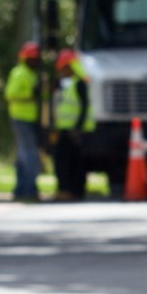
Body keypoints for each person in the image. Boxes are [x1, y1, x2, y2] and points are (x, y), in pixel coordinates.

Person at [53, 49, 93, 201]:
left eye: (64, 69)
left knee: (72, 162)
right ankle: (69, 190)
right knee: (66, 161)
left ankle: (72, 191)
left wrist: (77, 128)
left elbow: (84, 107)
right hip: (66, 128)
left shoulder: (79, 84)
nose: (62, 72)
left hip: (75, 130)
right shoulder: (67, 85)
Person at [5, 41, 42, 202]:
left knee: (23, 155)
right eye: (32, 58)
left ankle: (21, 189)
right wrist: (30, 95)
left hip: (30, 119)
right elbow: (10, 94)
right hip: (21, 118)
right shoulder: (20, 73)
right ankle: (29, 189)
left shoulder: (32, 74)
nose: (35, 61)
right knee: (29, 155)